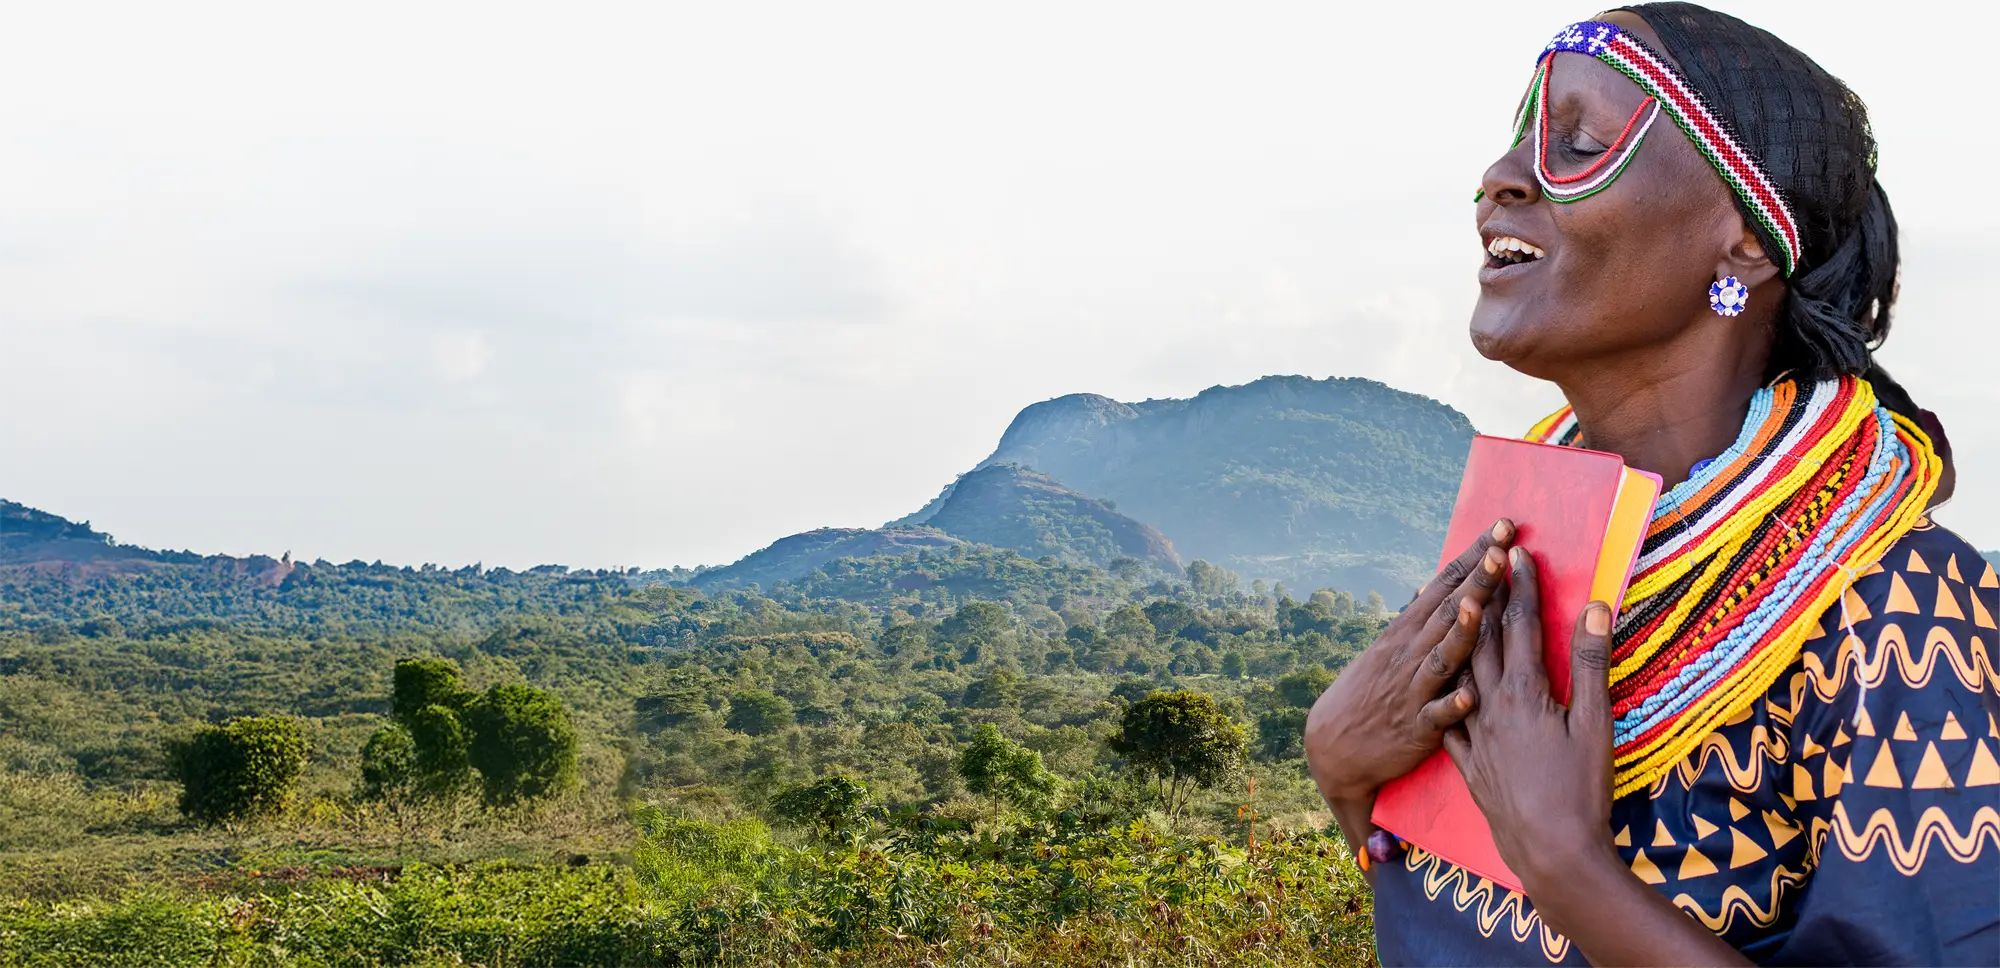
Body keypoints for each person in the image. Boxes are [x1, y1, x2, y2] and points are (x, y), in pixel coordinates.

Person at [1303, 5, 2000, 965]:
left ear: (1746, 245)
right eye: (1518, 145)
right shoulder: (1526, 548)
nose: (1500, 181)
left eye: (1578, 142)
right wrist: (1343, 772)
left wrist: (1568, 865)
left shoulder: (1900, 610)